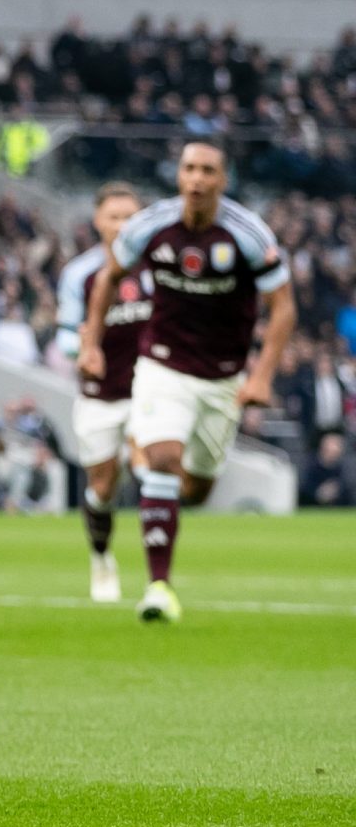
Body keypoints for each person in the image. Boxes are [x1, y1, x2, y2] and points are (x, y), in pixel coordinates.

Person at [78, 143, 292, 625]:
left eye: (207, 171)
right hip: (161, 366)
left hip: (222, 378)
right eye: (189, 169)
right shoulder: (151, 226)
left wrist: (261, 375)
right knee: (163, 461)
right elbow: (109, 277)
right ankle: (159, 587)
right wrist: (92, 341)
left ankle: (157, 493)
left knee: (195, 489)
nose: (196, 179)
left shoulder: (248, 234)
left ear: (223, 179)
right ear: (177, 175)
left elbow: (284, 306)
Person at [54, 182, 147, 602]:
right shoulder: (80, 274)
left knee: (151, 465)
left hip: (149, 392)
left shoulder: (155, 268)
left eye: (131, 216)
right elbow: (66, 336)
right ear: (98, 221)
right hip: (99, 396)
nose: (123, 224)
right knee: (103, 488)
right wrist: (84, 349)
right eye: (115, 217)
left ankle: (158, 571)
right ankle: (101, 556)